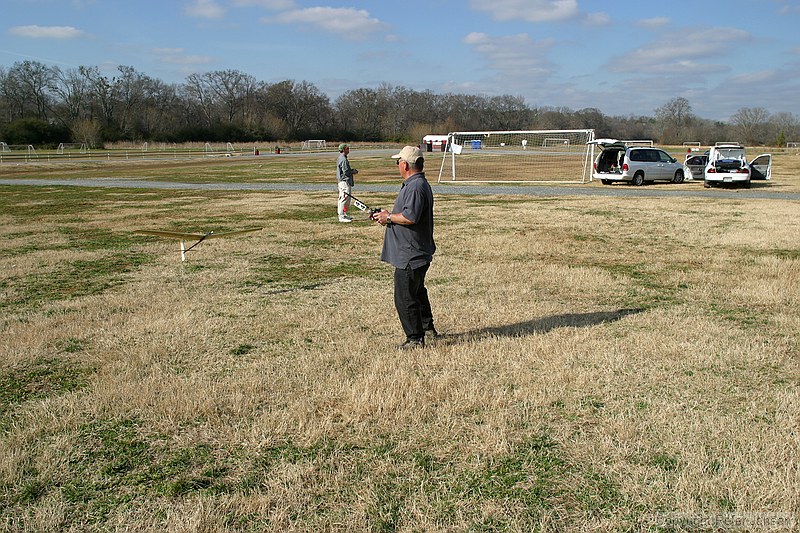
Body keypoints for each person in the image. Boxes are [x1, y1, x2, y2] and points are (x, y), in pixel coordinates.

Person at [373, 146, 438, 349]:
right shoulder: (416, 184)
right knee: (417, 291)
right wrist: (387, 216)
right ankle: (427, 328)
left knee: (405, 296)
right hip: (416, 251)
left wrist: (388, 217)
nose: (397, 165)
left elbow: (410, 217)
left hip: (410, 254)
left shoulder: (416, 187)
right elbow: (408, 213)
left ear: (405, 164)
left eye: (398, 161)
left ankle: (415, 338)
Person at [336, 143, 358, 222]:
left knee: (347, 199)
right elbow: (346, 172)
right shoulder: (343, 159)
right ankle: (341, 216)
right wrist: (353, 171)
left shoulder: (342, 158)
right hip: (344, 182)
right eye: (347, 148)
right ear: (344, 149)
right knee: (343, 198)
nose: (349, 149)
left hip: (344, 181)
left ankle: (344, 214)